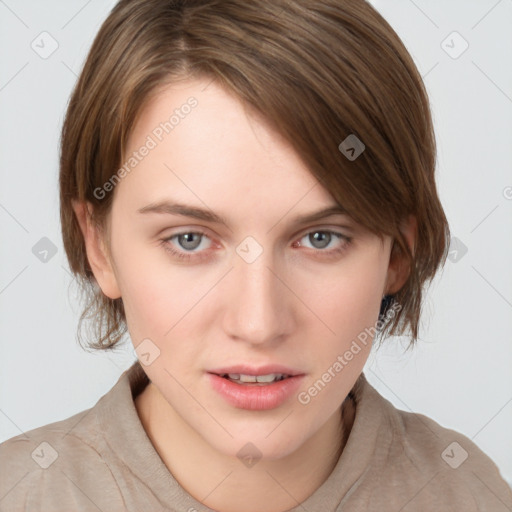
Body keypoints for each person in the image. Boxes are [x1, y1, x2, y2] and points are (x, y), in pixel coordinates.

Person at [1, 0, 511, 510]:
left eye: (320, 238)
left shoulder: (470, 494)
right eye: (189, 240)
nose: (258, 323)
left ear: (398, 251)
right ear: (99, 246)